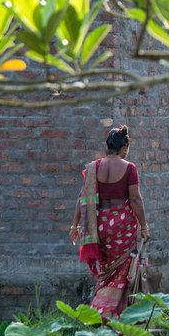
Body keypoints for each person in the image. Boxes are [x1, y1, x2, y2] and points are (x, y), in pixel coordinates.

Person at [70, 125, 150, 319]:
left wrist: (75, 226)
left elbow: (82, 198)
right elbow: (135, 200)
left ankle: (102, 312)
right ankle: (111, 312)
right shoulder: (129, 168)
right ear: (124, 148)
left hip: (100, 226)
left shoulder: (93, 168)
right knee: (123, 271)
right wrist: (144, 226)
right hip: (123, 226)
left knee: (106, 271)